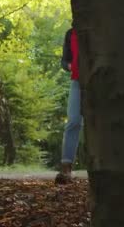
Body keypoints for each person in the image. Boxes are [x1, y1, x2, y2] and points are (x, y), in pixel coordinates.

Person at [55, 27, 82, 184]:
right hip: (77, 81)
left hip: (101, 80)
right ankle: (66, 168)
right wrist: (70, 66)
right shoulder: (70, 33)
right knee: (73, 121)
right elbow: (64, 61)